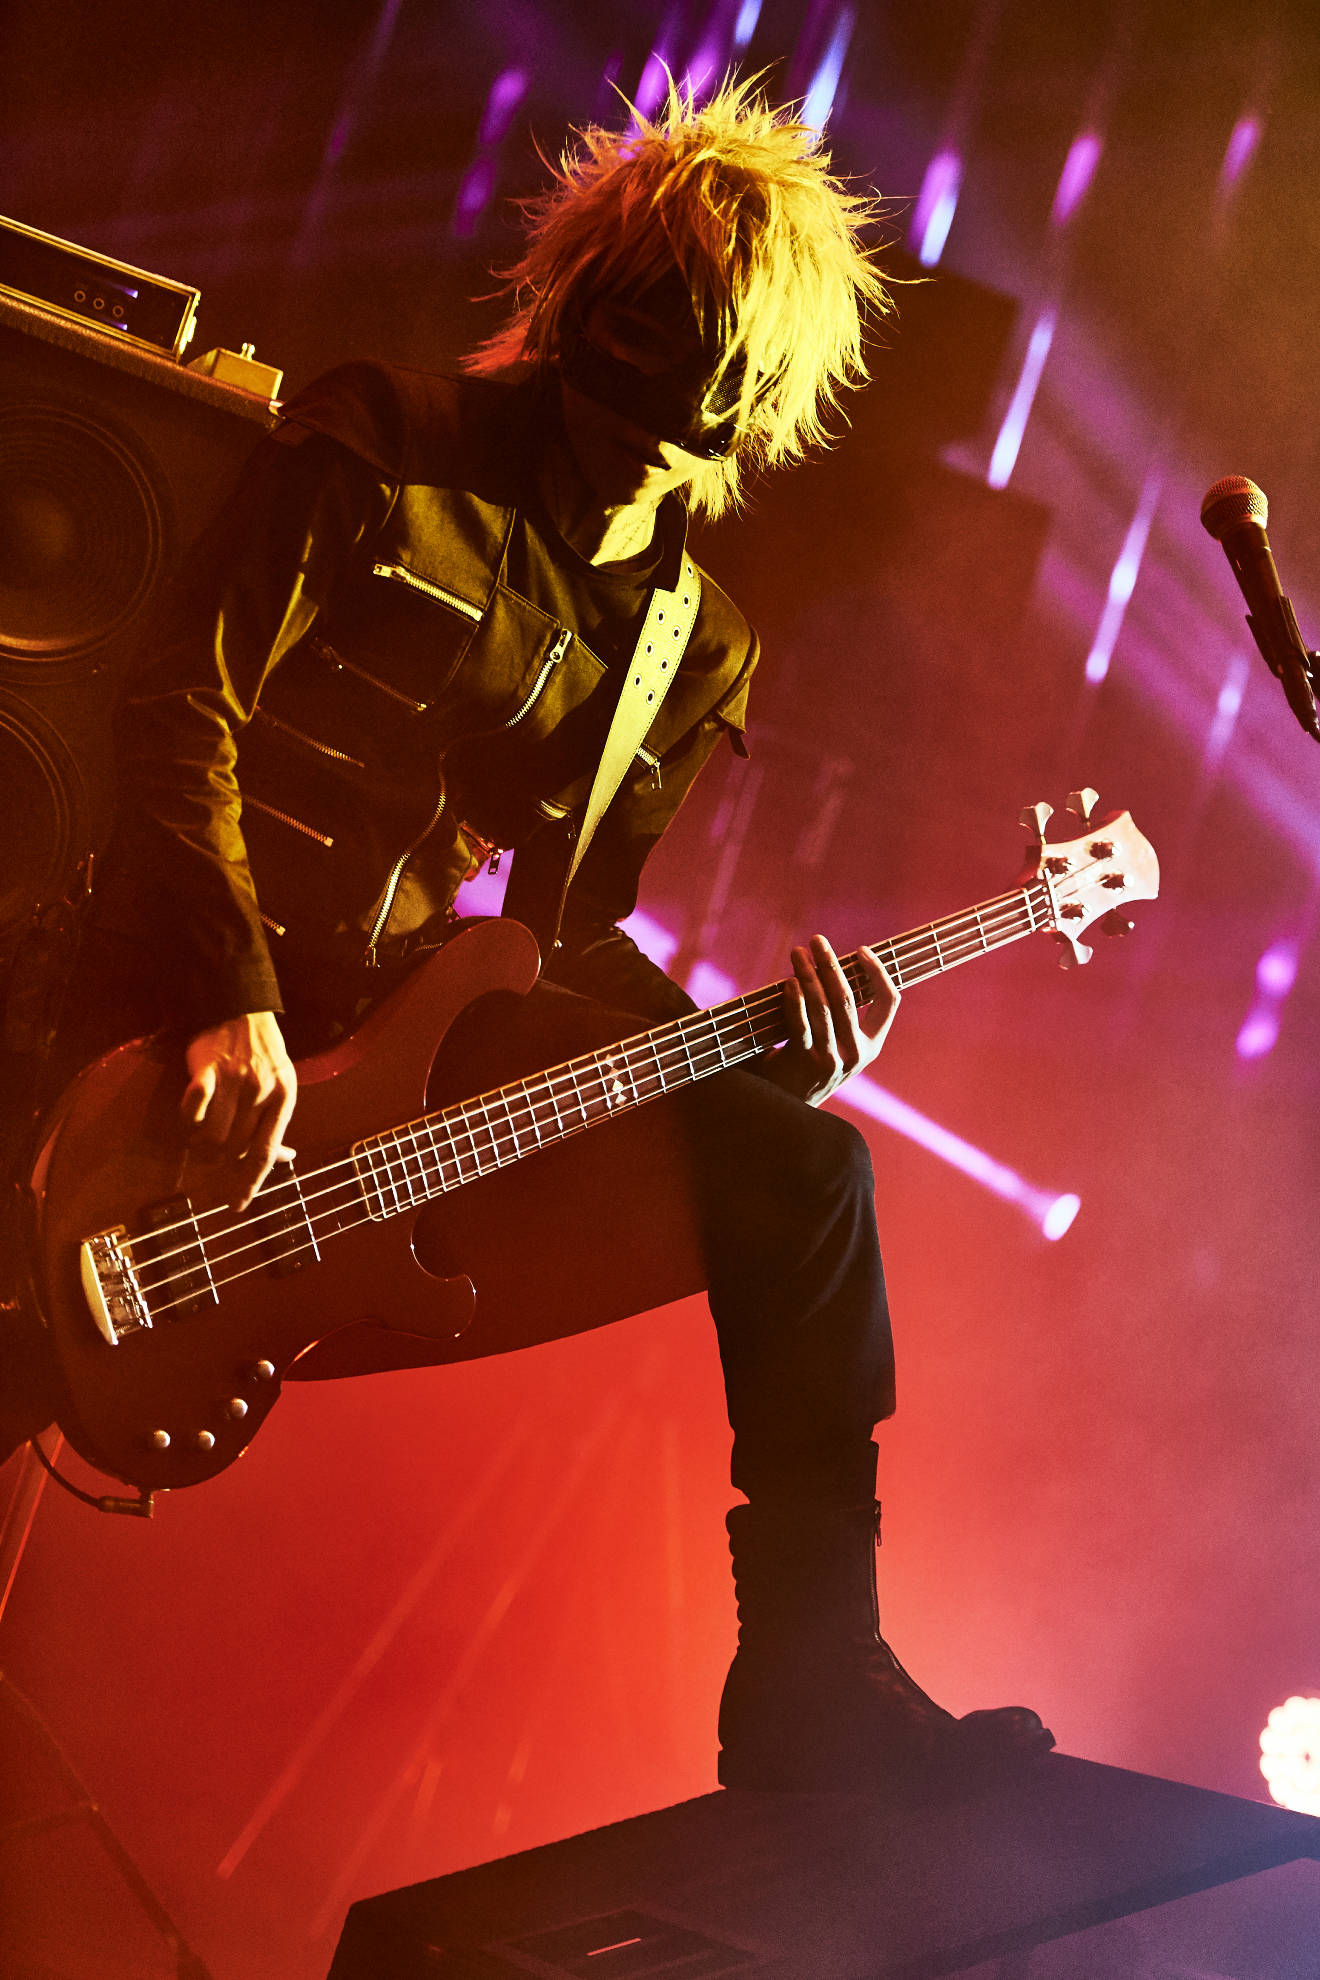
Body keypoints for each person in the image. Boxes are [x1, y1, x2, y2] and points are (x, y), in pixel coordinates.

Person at [45, 78, 1052, 1790]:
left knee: (804, 1170)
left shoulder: (694, 643)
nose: (675, 406)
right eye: (651, 336)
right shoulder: (387, 442)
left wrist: (763, 1062)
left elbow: (565, 939)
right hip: (170, 983)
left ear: (762, 390)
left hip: (392, 1031)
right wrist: (228, 990)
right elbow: (178, 703)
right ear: (586, 309)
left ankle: (810, 1671)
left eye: (721, 369)